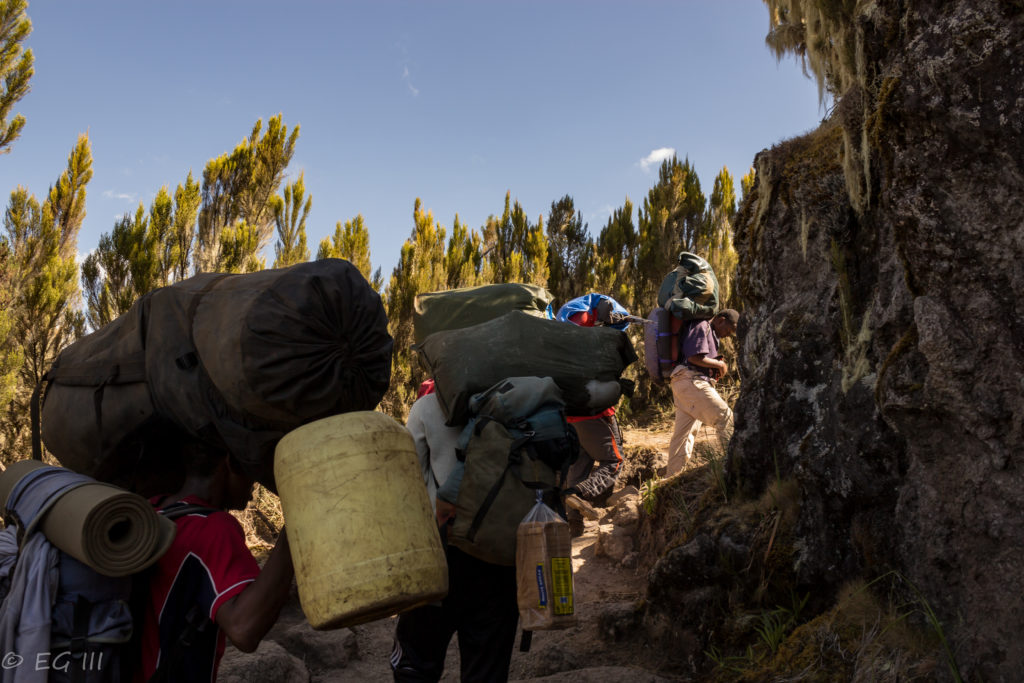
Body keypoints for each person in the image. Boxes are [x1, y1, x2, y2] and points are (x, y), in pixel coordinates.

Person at [134, 438, 294, 682]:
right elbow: (244, 629)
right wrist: (294, 529)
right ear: (230, 462)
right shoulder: (210, 527)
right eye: (252, 468)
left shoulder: (151, 511)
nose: (254, 483)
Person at [391, 382, 520, 682]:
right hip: (501, 555)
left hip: (441, 554)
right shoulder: (520, 403)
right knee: (487, 669)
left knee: (415, 662)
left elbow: (407, 480)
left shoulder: (427, 406)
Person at [555, 293, 631, 534]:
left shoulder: (564, 334)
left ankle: (574, 523)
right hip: (595, 413)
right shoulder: (585, 327)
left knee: (579, 466)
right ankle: (579, 494)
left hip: (570, 415)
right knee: (613, 461)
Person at [665, 309, 740, 478]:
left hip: (685, 383)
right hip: (691, 380)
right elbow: (693, 357)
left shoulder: (710, 332)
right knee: (725, 418)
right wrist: (719, 365)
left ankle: (672, 478)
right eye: (728, 330)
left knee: (684, 436)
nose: (728, 335)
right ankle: (733, 470)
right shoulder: (702, 325)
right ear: (721, 320)